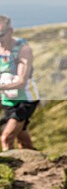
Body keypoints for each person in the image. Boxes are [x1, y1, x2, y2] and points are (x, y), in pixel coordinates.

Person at [0, 15, 39, 151]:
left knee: (6, 138)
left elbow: (21, 81)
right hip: (8, 100)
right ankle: (42, 164)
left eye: (1, 35)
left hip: (25, 100)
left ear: (10, 31)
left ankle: (9, 170)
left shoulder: (23, 50)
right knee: (22, 139)